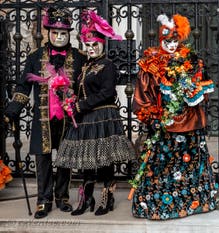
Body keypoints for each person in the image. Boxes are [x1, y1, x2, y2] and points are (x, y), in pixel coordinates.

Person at [130, 13, 218, 220]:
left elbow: (203, 87)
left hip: (190, 122)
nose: (171, 45)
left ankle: (194, 202)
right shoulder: (150, 64)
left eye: (175, 41)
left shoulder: (192, 60)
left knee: (190, 162)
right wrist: (153, 117)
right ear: (161, 39)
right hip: (165, 123)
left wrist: (194, 91)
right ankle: (163, 205)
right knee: (163, 165)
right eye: (167, 41)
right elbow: (143, 95)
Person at [4, 7, 86, 219]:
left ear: (69, 34)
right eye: (55, 33)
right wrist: (12, 111)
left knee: (65, 159)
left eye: (63, 33)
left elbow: (85, 87)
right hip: (43, 119)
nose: (59, 37)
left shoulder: (79, 57)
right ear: (48, 32)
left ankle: (63, 197)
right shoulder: (34, 57)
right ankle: (44, 200)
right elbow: (23, 87)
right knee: (43, 160)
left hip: (69, 119)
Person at [55, 10, 135, 216]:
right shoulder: (85, 67)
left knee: (104, 161)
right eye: (88, 46)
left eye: (94, 45)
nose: (91, 49)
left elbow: (107, 92)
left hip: (102, 116)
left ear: (102, 44)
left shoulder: (107, 65)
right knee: (87, 160)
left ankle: (106, 200)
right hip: (86, 118)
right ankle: (86, 199)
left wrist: (81, 106)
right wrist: (68, 95)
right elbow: (80, 89)